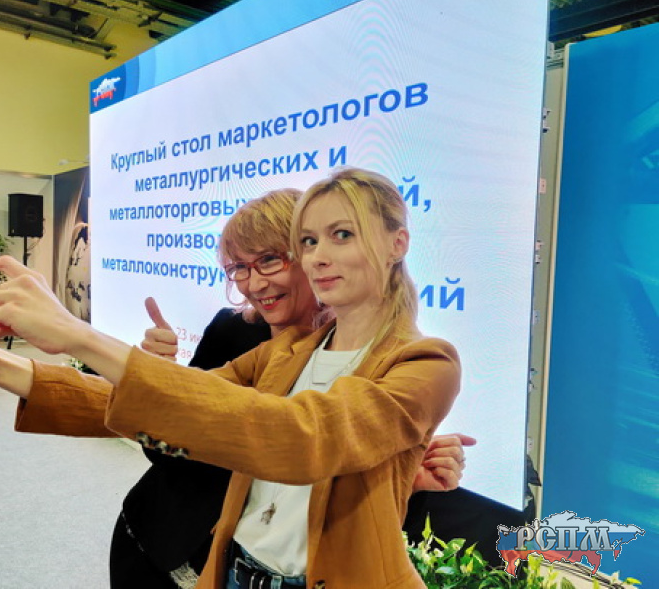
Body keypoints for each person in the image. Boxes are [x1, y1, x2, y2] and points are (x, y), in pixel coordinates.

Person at [0, 167, 461, 588]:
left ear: (397, 243)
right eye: (310, 242)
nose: (319, 257)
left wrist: (78, 335)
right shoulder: (290, 349)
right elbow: (155, 408)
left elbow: (299, 436)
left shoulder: (427, 361)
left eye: (341, 235)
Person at [113, 189, 473, 588]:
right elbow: (163, 451)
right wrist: (161, 385)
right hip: (159, 540)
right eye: (239, 268)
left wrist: (405, 476)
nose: (254, 283)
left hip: (242, 566)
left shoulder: (389, 359)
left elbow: (361, 518)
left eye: (270, 260)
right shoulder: (231, 330)